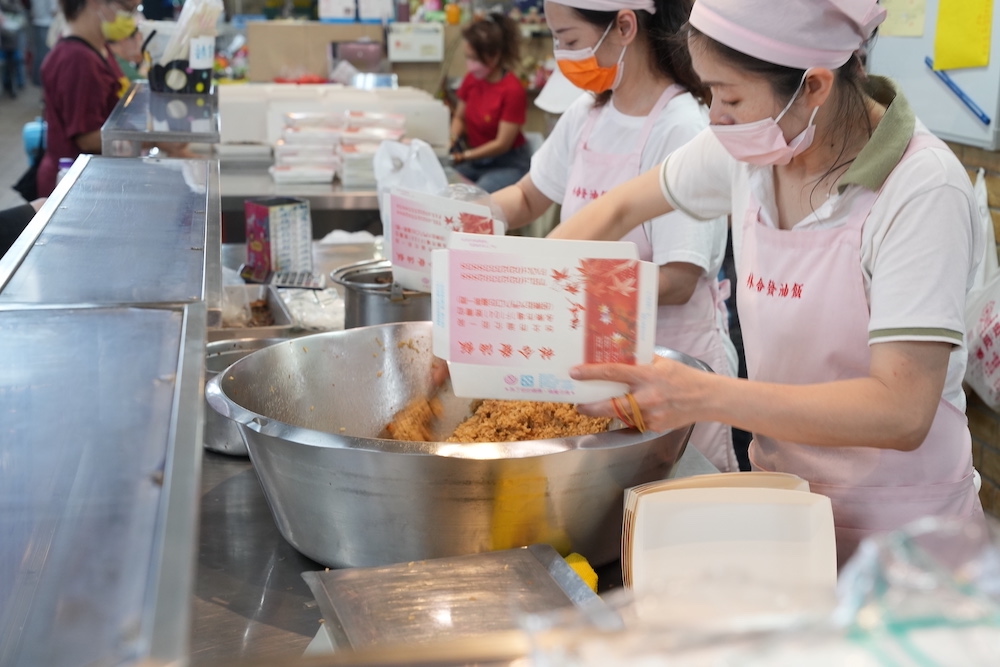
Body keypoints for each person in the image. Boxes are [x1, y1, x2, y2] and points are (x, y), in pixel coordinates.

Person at [548, 0, 985, 565]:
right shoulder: (754, 148)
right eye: (709, 96)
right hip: (785, 512)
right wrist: (507, 298)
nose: (717, 119)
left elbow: (901, 410)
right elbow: (617, 208)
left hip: (904, 540)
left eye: (729, 98)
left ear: (813, 87)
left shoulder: (922, 189)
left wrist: (703, 396)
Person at [494, 0, 739, 471]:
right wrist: (460, 219)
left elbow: (678, 279)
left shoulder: (682, 127)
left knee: (675, 501)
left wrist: (563, 288)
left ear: (624, 26)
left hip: (674, 363)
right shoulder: (587, 113)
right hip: (595, 361)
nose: (562, 56)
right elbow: (528, 197)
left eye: (569, 41)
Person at [37, 0, 130, 197]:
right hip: (74, 185)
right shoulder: (77, 59)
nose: (130, 19)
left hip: (92, 177)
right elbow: (87, 138)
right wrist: (149, 138)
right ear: (95, 3)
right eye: (126, 9)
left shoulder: (98, 48)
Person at [449, 13, 531, 193]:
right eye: (468, 57)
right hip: (476, 160)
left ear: (495, 56)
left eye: (476, 59)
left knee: (478, 197)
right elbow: (459, 118)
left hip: (508, 163)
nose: (471, 64)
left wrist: (463, 156)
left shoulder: (512, 89)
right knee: (444, 184)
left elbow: (502, 143)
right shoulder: (471, 79)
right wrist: (453, 140)